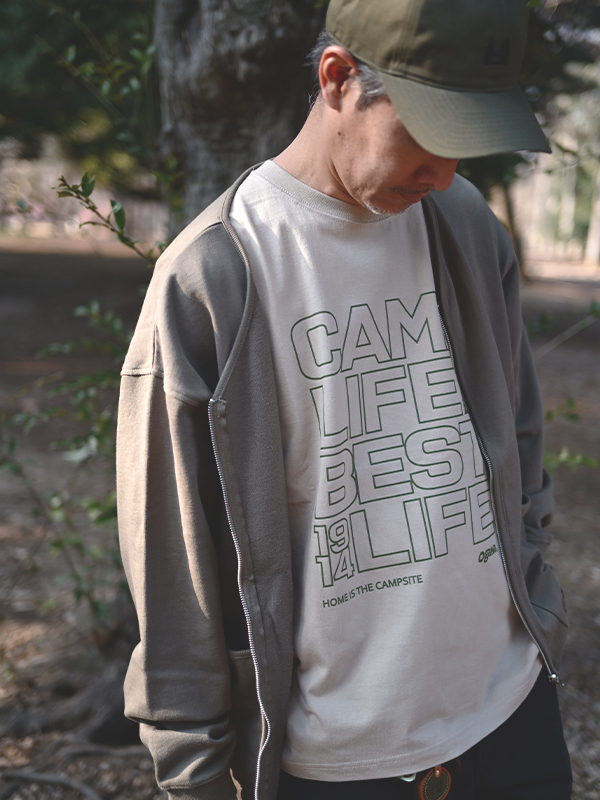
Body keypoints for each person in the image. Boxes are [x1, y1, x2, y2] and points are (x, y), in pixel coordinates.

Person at [116, 1, 573, 798]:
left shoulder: (464, 226)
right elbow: (173, 567)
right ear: (338, 79)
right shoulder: (211, 279)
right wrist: (195, 771)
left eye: (463, 147)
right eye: (427, 137)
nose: (443, 174)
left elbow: (518, 437)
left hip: (512, 719)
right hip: (333, 765)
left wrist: (537, 592)